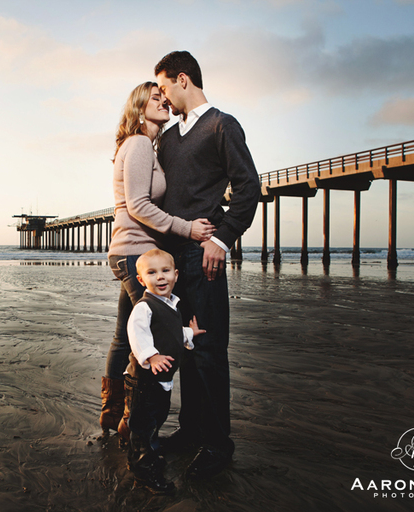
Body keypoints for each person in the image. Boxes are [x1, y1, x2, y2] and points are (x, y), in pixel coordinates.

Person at [154, 51, 261, 480]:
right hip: (172, 261)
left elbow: (249, 187)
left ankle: (218, 446)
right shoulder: (166, 139)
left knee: (209, 352)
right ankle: (190, 430)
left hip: (204, 258)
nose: (161, 97)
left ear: (183, 79)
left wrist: (222, 237)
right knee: (185, 346)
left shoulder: (221, 125)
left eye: (163, 88)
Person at [101, 82, 215, 444]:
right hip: (137, 252)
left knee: (124, 337)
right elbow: (137, 204)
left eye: (165, 98)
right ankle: (137, 428)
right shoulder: (137, 144)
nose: (164, 102)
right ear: (138, 107)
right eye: (156, 98)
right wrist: (187, 228)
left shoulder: (145, 147)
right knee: (153, 335)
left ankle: (113, 412)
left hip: (130, 250)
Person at [124, 249, 204, 494]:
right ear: (141, 280)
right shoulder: (144, 307)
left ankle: (148, 453)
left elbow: (172, 334)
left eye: (165, 271)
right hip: (143, 381)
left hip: (161, 382)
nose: (160, 277)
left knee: (155, 419)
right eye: (152, 272)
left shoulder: (171, 304)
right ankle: (143, 472)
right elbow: (136, 334)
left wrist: (190, 333)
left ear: (176, 275)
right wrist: (151, 355)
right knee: (143, 426)